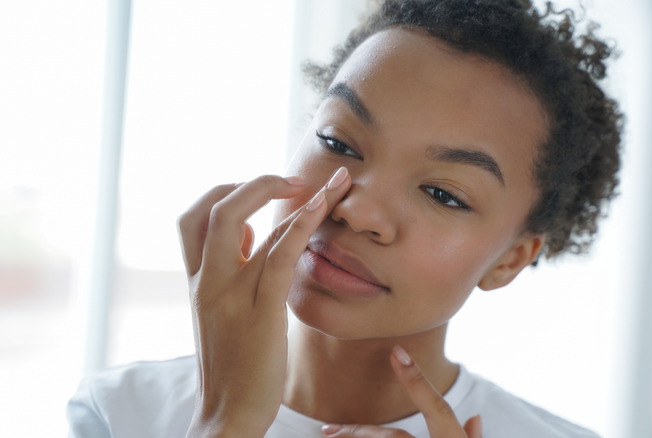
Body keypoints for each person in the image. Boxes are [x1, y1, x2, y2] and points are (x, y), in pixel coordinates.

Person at [67, 0, 622, 436]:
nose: (358, 210)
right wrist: (224, 426)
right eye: (337, 141)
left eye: (443, 194)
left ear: (509, 259)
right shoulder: (117, 414)